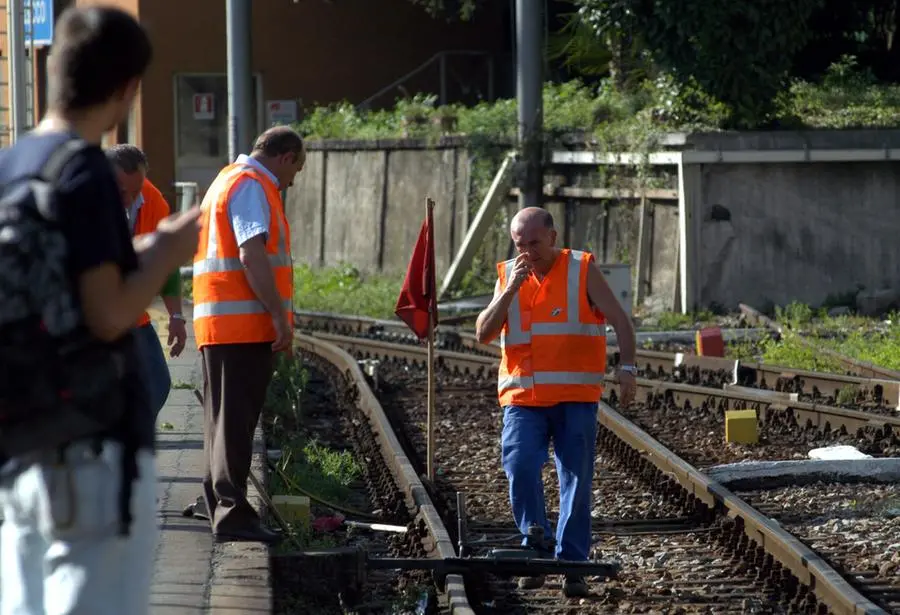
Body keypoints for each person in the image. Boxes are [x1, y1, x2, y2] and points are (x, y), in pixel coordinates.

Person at [0, 6, 201, 615]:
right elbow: (109, 312)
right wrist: (167, 250)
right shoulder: (84, 170)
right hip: (90, 450)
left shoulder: (12, 167)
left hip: (21, 443)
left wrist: (133, 254)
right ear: (126, 89)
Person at [474, 207, 637, 598]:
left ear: (552, 236)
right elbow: (483, 333)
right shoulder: (508, 274)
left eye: (534, 242)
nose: (527, 251)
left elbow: (621, 320)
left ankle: (573, 563)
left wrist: (627, 366)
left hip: (575, 397)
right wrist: (511, 288)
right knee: (519, 462)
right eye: (519, 244)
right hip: (523, 397)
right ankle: (536, 545)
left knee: (576, 478)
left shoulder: (580, 268)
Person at [186, 125, 304, 544]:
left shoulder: (224, 180)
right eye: (294, 171)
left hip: (221, 324)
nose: (290, 182)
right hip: (242, 326)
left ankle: (216, 502)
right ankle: (231, 514)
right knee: (235, 424)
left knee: (221, 421)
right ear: (286, 156)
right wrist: (279, 316)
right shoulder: (253, 185)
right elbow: (251, 253)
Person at [106, 144, 187, 418]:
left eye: (137, 189)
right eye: (122, 191)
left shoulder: (153, 201)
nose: (130, 198)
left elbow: (167, 264)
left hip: (132, 317)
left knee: (157, 384)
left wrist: (176, 315)